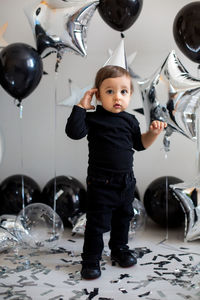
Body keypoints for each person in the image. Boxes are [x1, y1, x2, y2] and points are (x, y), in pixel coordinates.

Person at [65, 65, 167, 280]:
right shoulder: (92, 119)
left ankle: (119, 249)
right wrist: (82, 106)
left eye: (123, 91)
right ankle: (91, 259)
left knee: (123, 220)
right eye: (109, 91)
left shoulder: (130, 120)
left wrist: (153, 133)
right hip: (101, 184)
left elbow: (140, 145)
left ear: (130, 95)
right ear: (98, 95)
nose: (117, 97)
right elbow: (73, 133)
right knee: (97, 224)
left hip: (126, 183)